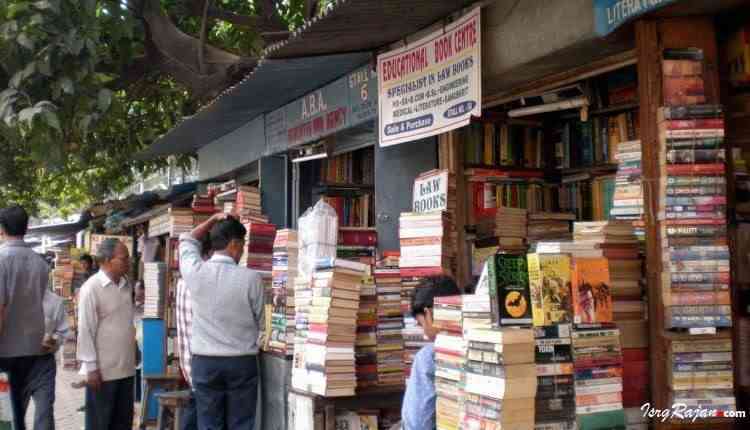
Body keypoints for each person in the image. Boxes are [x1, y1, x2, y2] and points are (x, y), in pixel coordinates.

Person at [179, 213, 264, 430]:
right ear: (234, 244)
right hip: (241, 363)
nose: (243, 251)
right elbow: (262, 322)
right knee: (241, 424)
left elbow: (187, 239)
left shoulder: (195, 271)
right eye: (242, 245)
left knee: (208, 424)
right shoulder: (252, 279)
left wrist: (212, 219)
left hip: (205, 363)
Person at [0, 205, 51, 430]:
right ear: (27, 228)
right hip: (32, 349)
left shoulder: (1, 260)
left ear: (2, 228)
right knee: (17, 410)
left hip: (6, 350)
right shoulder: (40, 263)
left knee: (9, 414)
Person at [77, 238, 136, 430]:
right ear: (107, 261)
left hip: (126, 369)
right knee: (100, 424)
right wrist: (91, 368)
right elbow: (86, 329)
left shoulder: (126, 285)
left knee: (122, 423)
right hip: (103, 373)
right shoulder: (91, 288)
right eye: (124, 258)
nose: (128, 262)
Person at [400, 276, 460, 430]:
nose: (426, 334)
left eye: (421, 324)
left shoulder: (429, 356)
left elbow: (417, 424)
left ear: (429, 314)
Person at [18, 289, 73, 430]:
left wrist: (53, 342)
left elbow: (63, 331)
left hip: (43, 365)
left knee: (45, 416)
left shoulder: (55, 301)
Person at [175, 238, 211, 430]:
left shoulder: (181, 283)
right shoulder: (201, 284)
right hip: (203, 364)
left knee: (194, 414)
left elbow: (186, 238)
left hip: (189, 364)